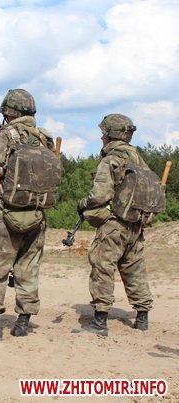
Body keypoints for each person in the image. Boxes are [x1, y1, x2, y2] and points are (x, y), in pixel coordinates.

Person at [0, 89, 59, 343]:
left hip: (7, 213)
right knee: (28, 268)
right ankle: (23, 323)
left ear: (8, 112)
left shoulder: (6, 135)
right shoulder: (45, 138)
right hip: (37, 215)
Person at [74, 114, 160, 336]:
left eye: (103, 133)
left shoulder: (111, 159)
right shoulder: (138, 159)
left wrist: (83, 204)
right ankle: (142, 318)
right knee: (134, 269)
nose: (101, 137)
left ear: (110, 135)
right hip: (136, 224)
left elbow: (99, 195)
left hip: (114, 224)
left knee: (103, 267)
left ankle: (100, 322)